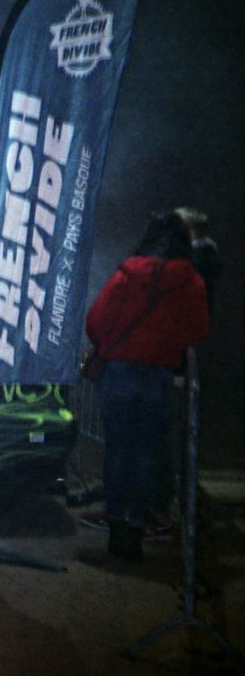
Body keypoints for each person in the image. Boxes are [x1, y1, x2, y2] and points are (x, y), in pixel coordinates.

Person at [85, 211, 209, 562]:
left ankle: (115, 527)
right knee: (145, 455)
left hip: (120, 374)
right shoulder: (192, 283)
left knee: (118, 450)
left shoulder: (128, 274)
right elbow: (197, 330)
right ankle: (137, 527)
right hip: (158, 377)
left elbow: (95, 320)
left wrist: (112, 346)